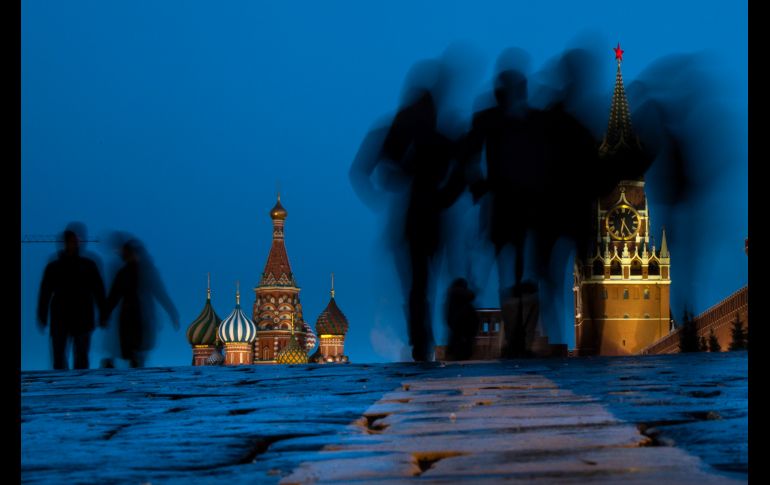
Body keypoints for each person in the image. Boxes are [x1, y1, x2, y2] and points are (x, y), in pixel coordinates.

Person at [37, 223, 106, 369]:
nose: (73, 244)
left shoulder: (87, 265)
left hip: (79, 318)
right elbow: (45, 292)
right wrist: (42, 315)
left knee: (78, 358)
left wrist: (103, 312)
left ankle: (75, 387)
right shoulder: (56, 267)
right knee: (61, 358)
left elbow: (98, 291)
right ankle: (67, 386)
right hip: (65, 318)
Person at [103, 238, 179, 368]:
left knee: (136, 349)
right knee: (134, 350)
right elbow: (114, 296)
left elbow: (160, 293)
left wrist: (172, 312)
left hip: (139, 316)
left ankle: (134, 367)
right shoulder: (132, 272)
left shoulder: (139, 272)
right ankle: (134, 367)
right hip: (134, 316)